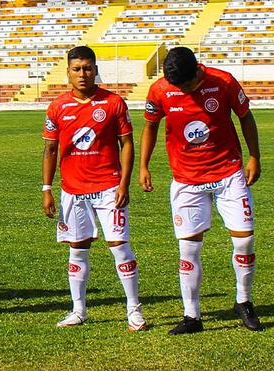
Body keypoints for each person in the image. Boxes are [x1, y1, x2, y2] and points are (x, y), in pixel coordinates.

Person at [141, 47, 262, 334]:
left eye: (186, 84)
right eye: (177, 86)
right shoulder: (159, 90)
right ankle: (192, 316)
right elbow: (150, 127)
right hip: (187, 180)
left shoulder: (223, 82)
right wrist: (143, 166)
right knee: (189, 248)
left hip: (228, 173)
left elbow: (245, 116)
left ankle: (243, 301)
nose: (182, 89)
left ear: (198, 70)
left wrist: (254, 156)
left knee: (244, 241)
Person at [42, 46, 146, 331]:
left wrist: (124, 183)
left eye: (87, 68)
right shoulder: (57, 107)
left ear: (95, 69)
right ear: (68, 73)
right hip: (73, 192)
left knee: (120, 248)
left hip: (109, 189)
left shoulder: (113, 103)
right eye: (77, 69)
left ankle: (133, 310)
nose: (82, 74)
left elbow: (127, 144)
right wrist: (46, 188)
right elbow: (50, 149)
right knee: (77, 250)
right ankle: (78, 311)